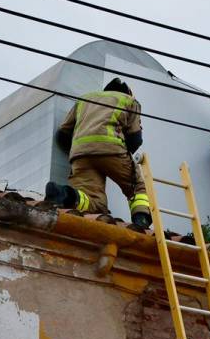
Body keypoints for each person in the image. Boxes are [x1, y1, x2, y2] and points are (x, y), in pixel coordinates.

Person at [46, 78, 151, 229]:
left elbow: (62, 134)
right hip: (111, 149)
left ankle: (66, 195)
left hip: (80, 154)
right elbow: (135, 139)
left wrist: (81, 151)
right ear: (127, 93)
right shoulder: (129, 101)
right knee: (137, 187)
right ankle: (142, 221)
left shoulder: (84, 100)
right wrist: (118, 156)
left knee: (95, 203)